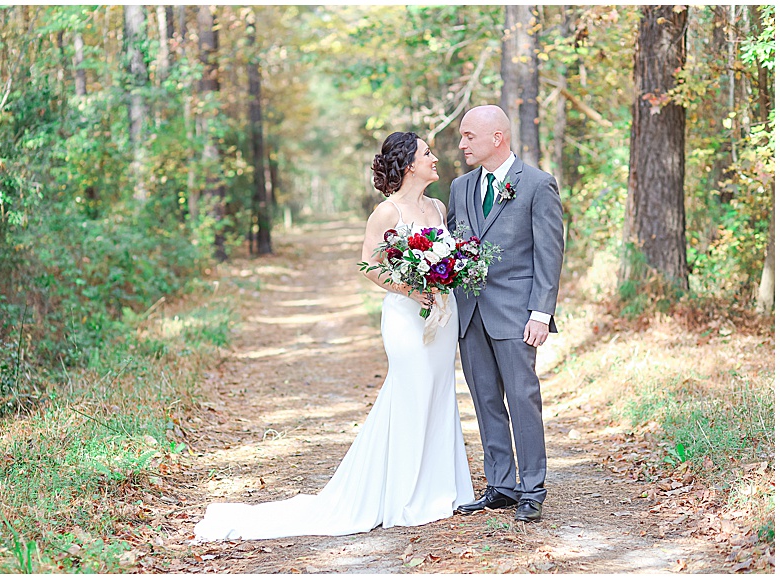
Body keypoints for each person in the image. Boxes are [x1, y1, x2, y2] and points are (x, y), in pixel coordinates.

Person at [193, 131, 473, 541]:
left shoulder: (438, 206)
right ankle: (402, 496)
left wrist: (445, 279)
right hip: (406, 317)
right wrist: (414, 290)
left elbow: (445, 259)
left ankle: (439, 489)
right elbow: (371, 267)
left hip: (442, 315)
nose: (436, 157)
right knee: (410, 392)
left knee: (439, 391)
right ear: (409, 164)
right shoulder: (386, 213)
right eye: (427, 153)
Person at [446, 105, 564, 523]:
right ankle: (501, 485)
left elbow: (549, 255)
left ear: (498, 137)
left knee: (522, 398)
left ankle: (533, 488)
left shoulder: (536, 184)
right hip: (470, 312)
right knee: (485, 401)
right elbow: (452, 247)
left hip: (517, 314)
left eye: (468, 137)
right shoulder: (460, 187)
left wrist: (540, 313)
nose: (461, 145)